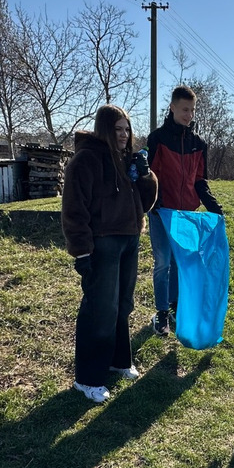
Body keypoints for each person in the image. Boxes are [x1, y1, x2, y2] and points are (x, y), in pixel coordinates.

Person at [61, 105, 159, 403]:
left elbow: (146, 202)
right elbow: (74, 209)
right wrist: (82, 252)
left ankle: (118, 361)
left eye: (127, 129)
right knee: (100, 309)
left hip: (129, 239)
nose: (124, 135)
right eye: (118, 129)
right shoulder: (86, 160)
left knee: (122, 304)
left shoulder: (127, 160)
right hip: (102, 243)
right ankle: (87, 378)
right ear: (104, 129)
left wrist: (146, 177)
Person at [144, 85, 224, 337]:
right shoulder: (156, 138)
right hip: (160, 213)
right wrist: (153, 203)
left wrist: (213, 205)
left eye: (192, 110)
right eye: (184, 109)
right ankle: (161, 313)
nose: (188, 115)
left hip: (186, 215)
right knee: (163, 263)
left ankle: (177, 308)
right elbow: (149, 176)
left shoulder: (199, 144)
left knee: (181, 263)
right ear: (173, 108)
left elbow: (200, 180)